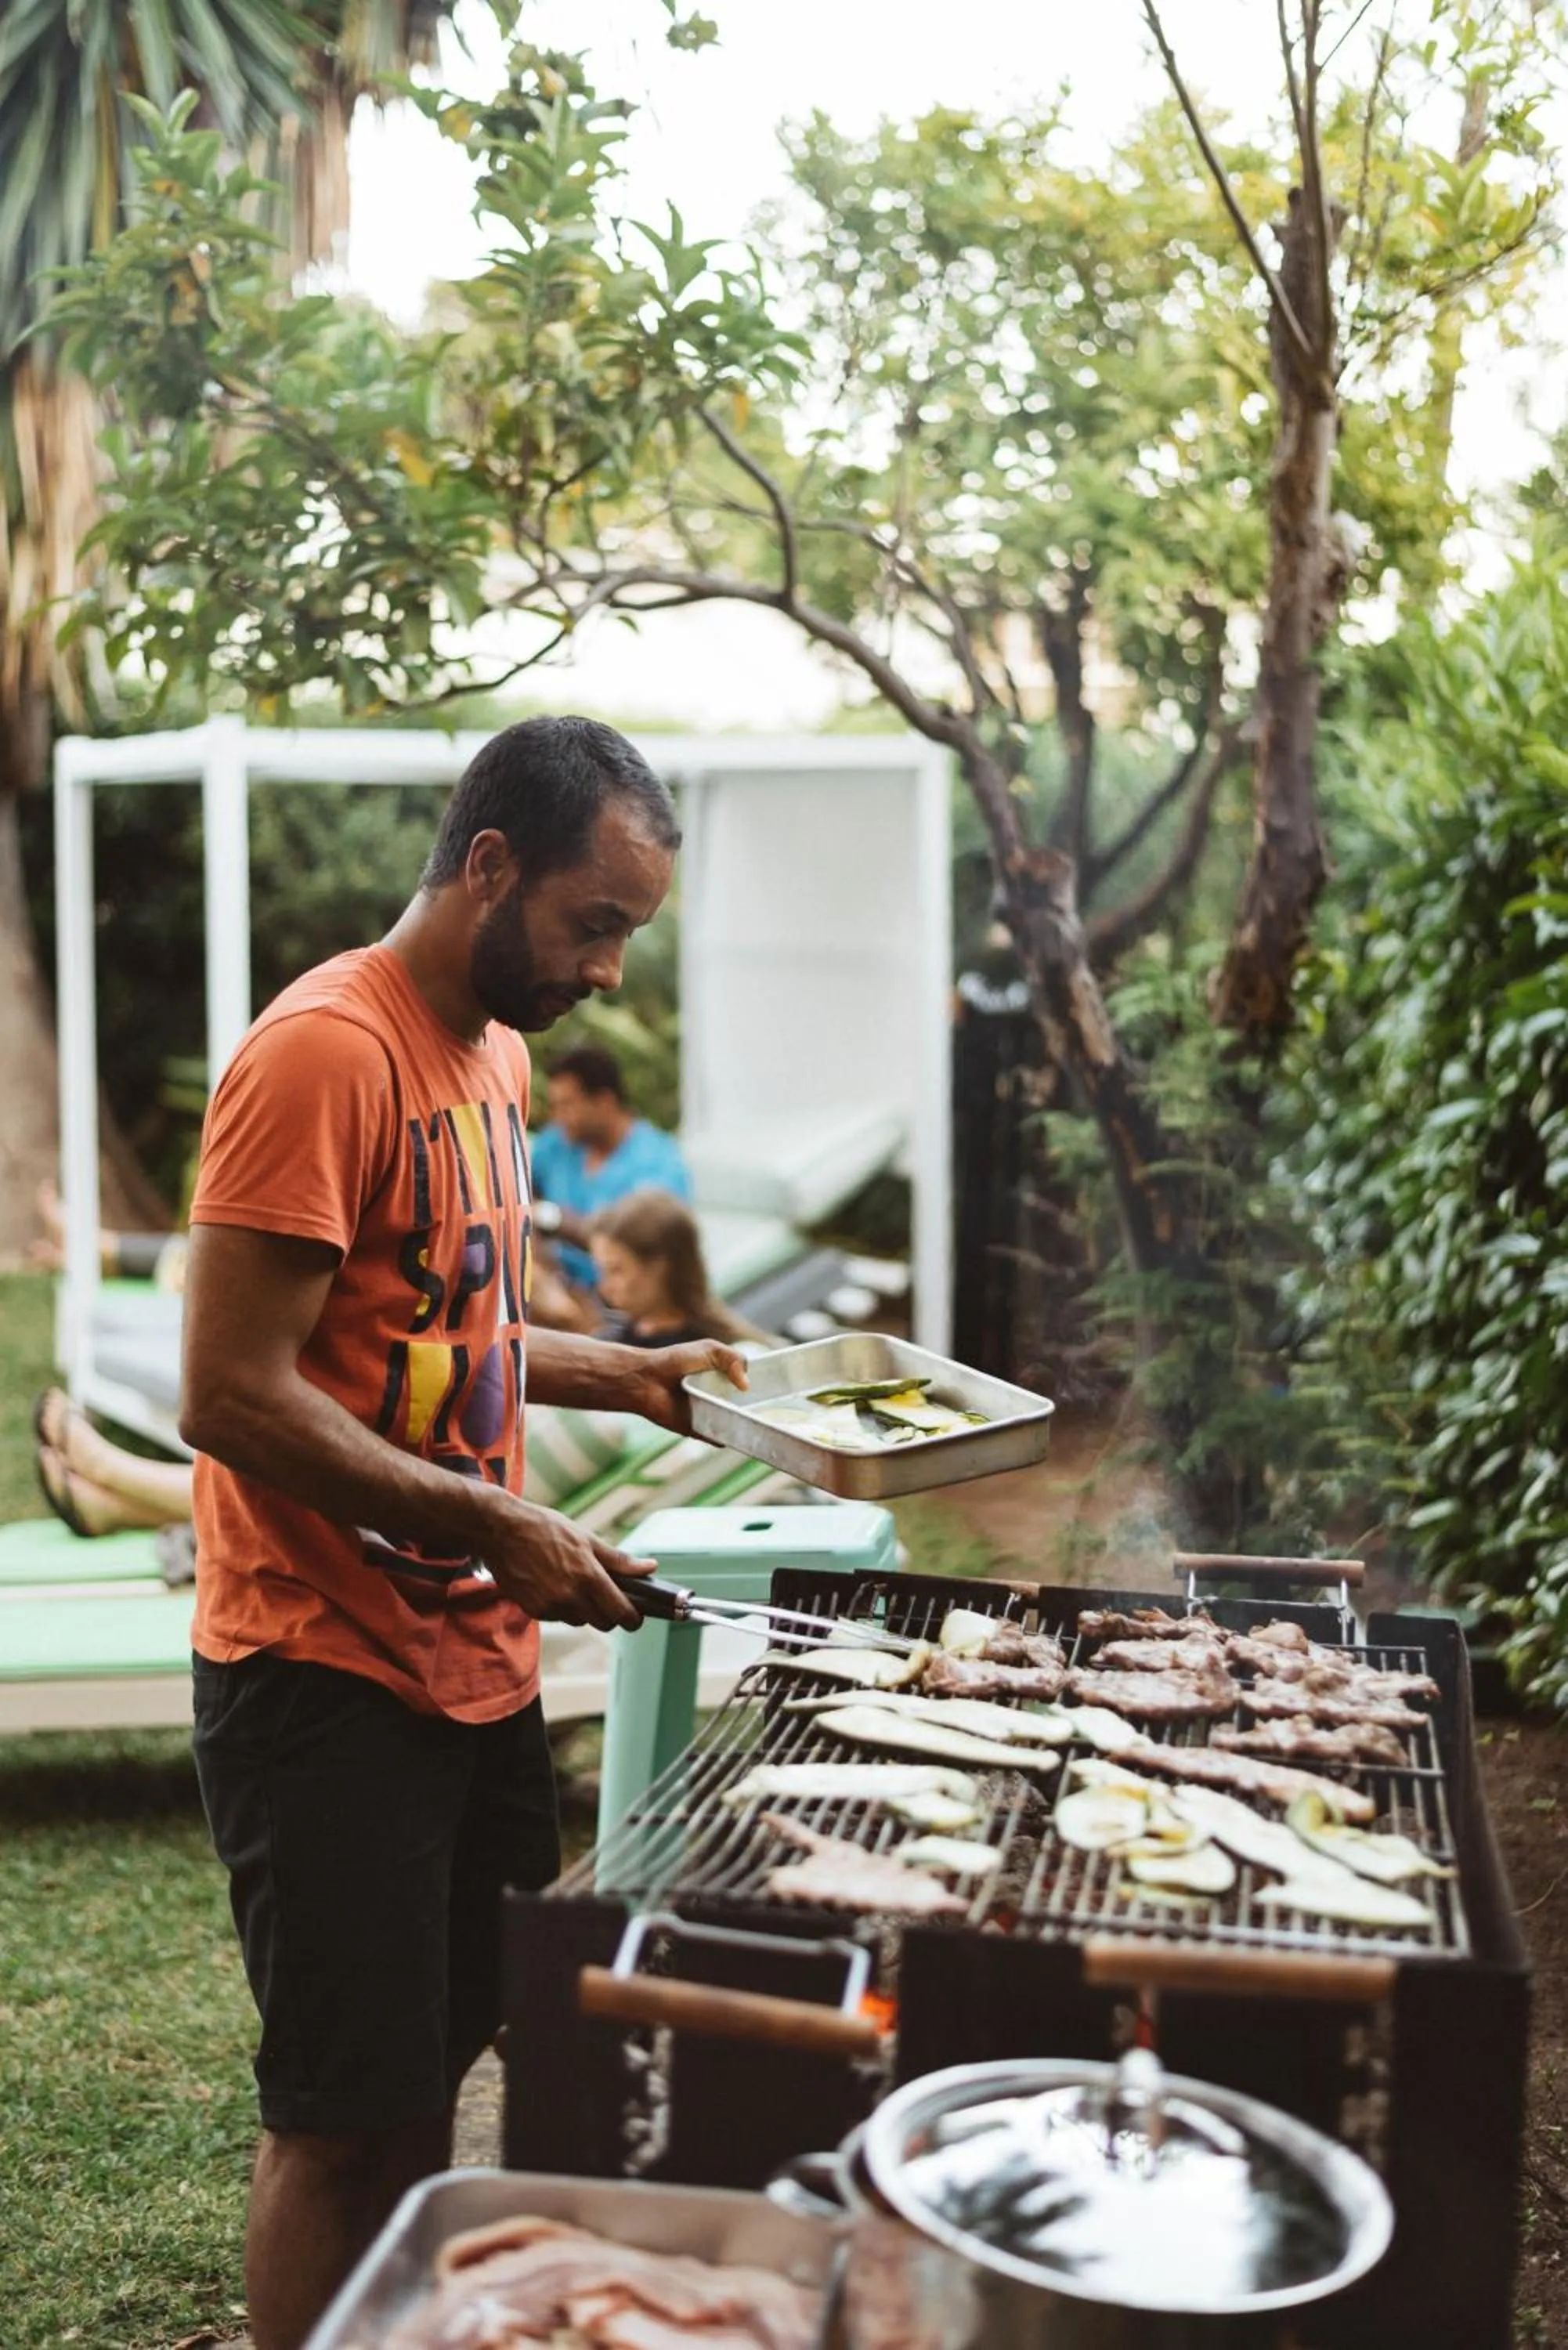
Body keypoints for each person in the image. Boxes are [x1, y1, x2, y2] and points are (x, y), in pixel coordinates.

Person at [175, 714, 746, 2350]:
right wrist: (494, 1520)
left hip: (471, 1671)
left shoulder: (492, 1056)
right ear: (490, 867)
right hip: (321, 1667)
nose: (610, 975)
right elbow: (229, 1392)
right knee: (338, 2117)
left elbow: (450, 1328)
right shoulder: (320, 1055)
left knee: (431, 2076)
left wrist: (632, 1375)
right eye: (596, 925)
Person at [529, 1044, 691, 1299]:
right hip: (561, 1289)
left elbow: (632, 1246)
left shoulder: (656, 1164)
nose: (558, 1117)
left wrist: (550, 1217)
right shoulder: (557, 1144)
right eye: (555, 1106)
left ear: (604, 1102)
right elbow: (517, 1189)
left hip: (625, 1305)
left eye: (567, 1105)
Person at [590, 1187, 755, 1350]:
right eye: (602, 1271)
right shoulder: (612, 1343)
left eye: (616, 1271)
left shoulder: (721, 1355)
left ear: (659, 1268)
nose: (605, 1288)